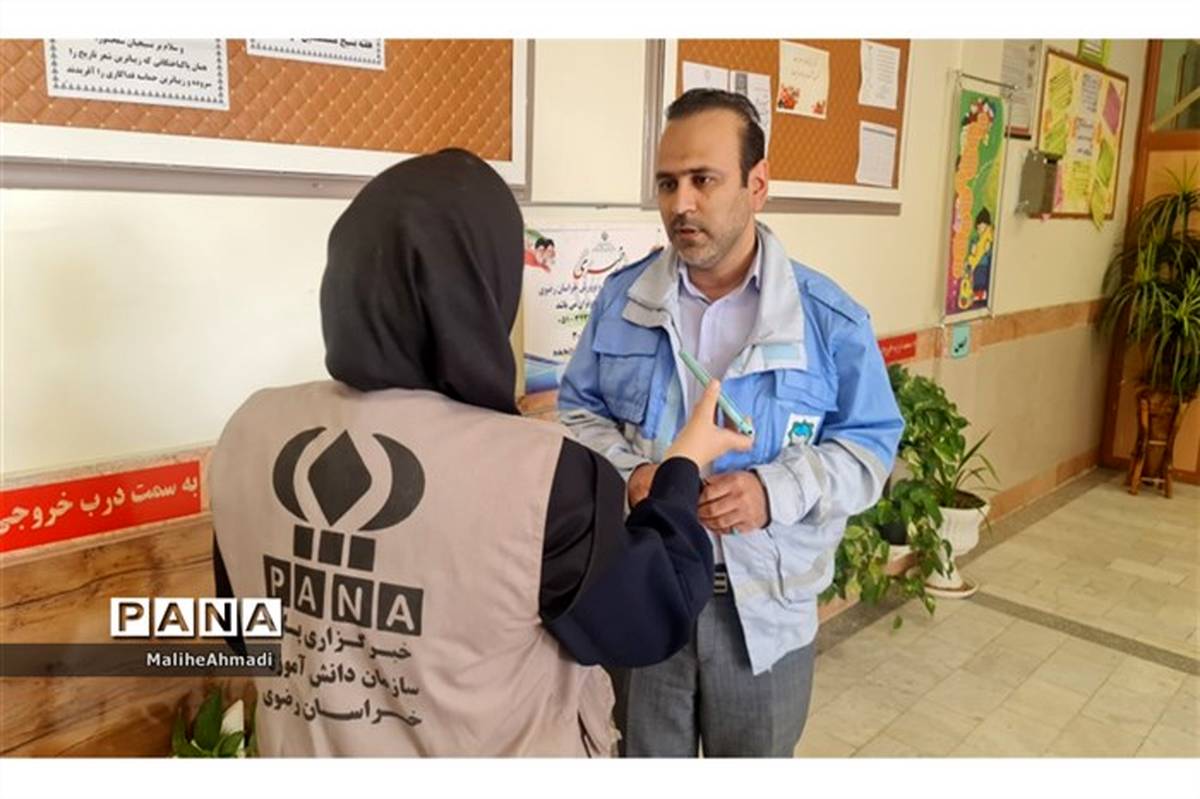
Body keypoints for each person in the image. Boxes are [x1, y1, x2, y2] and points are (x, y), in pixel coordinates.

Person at [207, 149, 751, 756]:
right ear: (479, 290)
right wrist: (682, 466)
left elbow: (245, 633)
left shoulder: (252, 428)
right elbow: (649, 620)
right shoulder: (540, 475)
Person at [558, 89, 904, 757]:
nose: (680, 204)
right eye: (668, 183)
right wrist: (635, 476)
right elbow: (576, 414)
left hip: (764, 616)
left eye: (703, 180)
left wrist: (775, 490)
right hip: (646, 586)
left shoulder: (827, 320)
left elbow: (869, 447)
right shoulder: (623, 301)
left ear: (758, 184)